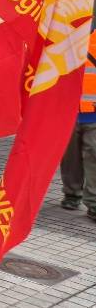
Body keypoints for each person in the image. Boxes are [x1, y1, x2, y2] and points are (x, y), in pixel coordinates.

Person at [60, 28, 96, 221]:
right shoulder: (68, 33)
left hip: (94, 111)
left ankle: (94, 203)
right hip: (70, 110)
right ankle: (72, 194)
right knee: (70, 157)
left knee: (94, 155)